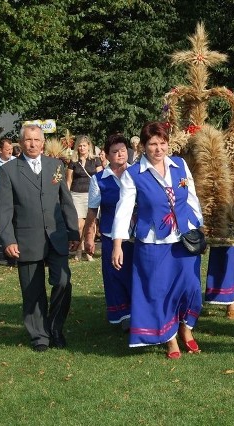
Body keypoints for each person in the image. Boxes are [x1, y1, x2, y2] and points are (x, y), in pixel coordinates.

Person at [111, 121, 204, 359]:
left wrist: (199, 225)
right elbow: (123, 209)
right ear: (143, 146)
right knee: (159, 290)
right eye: (152, 144)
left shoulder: (180, 165)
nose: (158, 149)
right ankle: (170, 338)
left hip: (184, 238)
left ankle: (186, 328)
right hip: (152, 242)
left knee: (190, 287)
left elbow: (191, 196)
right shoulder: (133, 174)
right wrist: (118, 244)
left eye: (162, 143)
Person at [0, 124, 80, 352]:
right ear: (21, 143)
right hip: (26, 239)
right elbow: (3, 210)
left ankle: (54, 328)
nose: (33, 144)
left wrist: (73, 232)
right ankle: (39, 337)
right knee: (33, 292)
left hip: (56, 236)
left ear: (43, 143)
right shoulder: (9, 171)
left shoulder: (56, 166)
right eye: (28, 140)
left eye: (37, 140)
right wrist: (8, 240)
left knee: (62, 281)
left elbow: (65, 201)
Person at [83, 134, 133, 331]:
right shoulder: (99, 180)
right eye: (114, 151)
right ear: (107, 155)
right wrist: (88, 236)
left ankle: (138, 312)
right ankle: (122, 315)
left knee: (134, 274)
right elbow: (93, 211)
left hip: (136, 235)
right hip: (111, 234)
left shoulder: (137, 173)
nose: (119, 154)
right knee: (115, 274)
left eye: (122, 150)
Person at [66, 135, 103, 261]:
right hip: (76, 194)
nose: (82, 148)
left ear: (89, 147)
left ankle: (89, 251)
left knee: (91, 225)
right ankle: (79, 249)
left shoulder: (96, 160)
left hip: (92, 195)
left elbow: (101, 177)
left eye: (84, 146)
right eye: (80, 146)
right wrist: (66, 195)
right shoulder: (73, 161)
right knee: (80, 225)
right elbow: (69, 179)